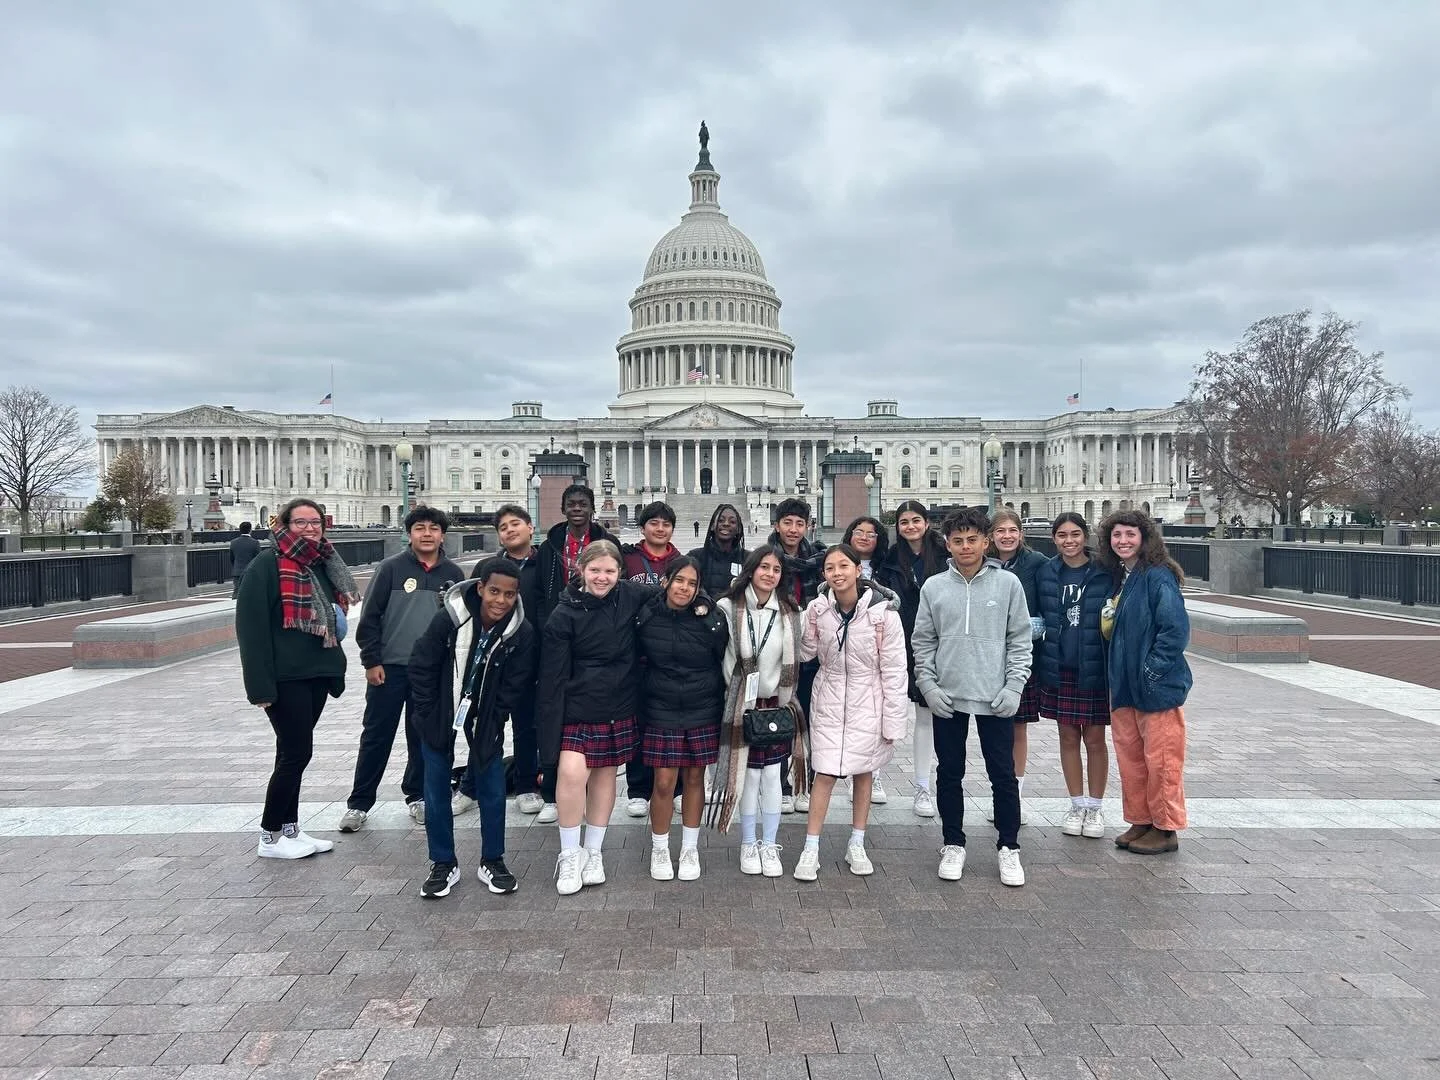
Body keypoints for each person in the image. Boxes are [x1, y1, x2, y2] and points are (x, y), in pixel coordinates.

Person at [912, 507, 1032, 887]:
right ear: (947, 543)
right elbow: (923, 642)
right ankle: (953, 842)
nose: (966, 547)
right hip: (948, 695)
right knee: (950, 772)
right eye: (958, 541)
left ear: (986, 541)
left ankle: (1009, 846)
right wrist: (928, 686)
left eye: (973, 540)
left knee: (1003, 774)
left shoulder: (1008, 585)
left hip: (994, 695)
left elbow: (1020, 640)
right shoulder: (934, 586)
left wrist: (1014, 686)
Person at [236, 497, 360, 859]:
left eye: (315, 522)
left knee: (292, 754)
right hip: (285, 676)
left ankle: (290, 829)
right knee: (296, 753)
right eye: (301, 522)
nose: (309, 528)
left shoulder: (323, 562)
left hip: (316, 673)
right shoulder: (267, 565)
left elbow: (332, 615)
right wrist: (259, 686)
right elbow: (251, 628)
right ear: (284, 526)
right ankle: (269, 836)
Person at [409, 560, 538, 898]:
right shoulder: (450, 618)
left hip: (485, 714)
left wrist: (494, 719)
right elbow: (421, 663)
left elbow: (516, 684)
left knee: (492, 786)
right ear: (480, 588)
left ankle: (493, 859)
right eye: (494, 591)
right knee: (435, 786)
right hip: (442, 707)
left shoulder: (521, 632)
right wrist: (425, 713)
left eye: (509, 594)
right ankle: (443, 863)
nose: (501, 601)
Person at [538, 541, 656, 895]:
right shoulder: (564, 613)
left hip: (619, 701)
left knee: (605, 775)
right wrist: (547, 740)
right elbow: (553, 677)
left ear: (620, 572)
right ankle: (569, 853)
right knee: (572, 773)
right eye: (595, 570)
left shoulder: (631, 595)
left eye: (609, 571)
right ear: (580, 570)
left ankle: (594, 851)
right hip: (578, 704)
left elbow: (670, 596)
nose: (602, 577)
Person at [339, 506, 462, 833]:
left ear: (442, 535)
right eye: (419, 528)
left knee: (422, 737)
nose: (426, 534)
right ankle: (359, 803)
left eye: (433, 529)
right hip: (389, 668)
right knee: (376, 736)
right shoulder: (391, 569)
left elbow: (462, 624)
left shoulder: (453, 575)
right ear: (409, 534)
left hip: (431, 672)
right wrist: (371, 660)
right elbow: (370, 618)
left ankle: (417, 795)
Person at [792, 545, 908, 881]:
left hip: (867, 697)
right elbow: (807, 653)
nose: (837, 573)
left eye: (844, 565)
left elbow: (895, 671)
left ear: (859, 570)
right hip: (828, 695)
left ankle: (857, 842)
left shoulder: (884, 614)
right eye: (830, 568)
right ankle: (810, 847)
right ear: (824, 575)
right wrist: (801, 619)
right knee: (824, 772)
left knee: (864, 772)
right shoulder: (819, 609)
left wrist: (892, 719)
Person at [1098, 510, 1192, 855]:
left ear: (1144, 538)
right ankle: (1141, 819)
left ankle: (1166, 828)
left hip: (1154, 686)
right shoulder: (1125, 576)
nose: (1122, 541)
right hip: (1124, 686)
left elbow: (1174, 629)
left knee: (1162, 759)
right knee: (1132, 759)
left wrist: (1153, 669)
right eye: (1117, 535)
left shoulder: (1158, 576)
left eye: (1129, 534)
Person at [710, 547, 804, 877]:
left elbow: (801, 653)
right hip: (740, 705)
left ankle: (769, 843)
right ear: (750, 570)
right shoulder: (726, 608)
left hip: (775, 706)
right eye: (763, 567)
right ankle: (748, 842)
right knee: (748, 777)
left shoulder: (791, 613)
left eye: (776, 570)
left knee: (773, 777)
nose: (769, 574)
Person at [636, 557, 728, 881]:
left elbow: (722, 656)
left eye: (692, 583)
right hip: (661, 706)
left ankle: (690, 847)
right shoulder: (647, 615)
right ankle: (660, 847)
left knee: (694, 778)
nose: (684, 588)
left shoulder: (710, 618)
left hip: (702, 705)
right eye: (679, 580)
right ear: (666, 581)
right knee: (663, 781)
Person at [454, 504, 548, 819]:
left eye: (515, 523)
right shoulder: (487, 566)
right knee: (483, 725)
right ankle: (471, 785)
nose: (509, 530)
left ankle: (524, 786)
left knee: (527, 727)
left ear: (531, 527)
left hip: (532, 659)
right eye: (503, 526)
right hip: (493, 658)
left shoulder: (547, 564)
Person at [1036, 513, 1112, 839]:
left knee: (1095, 739)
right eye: (1063, 535)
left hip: (1093, 666)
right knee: (1067, 738)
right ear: (1054, 539)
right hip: (1060, 665)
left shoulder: (1106, 572)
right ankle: (1076, 804)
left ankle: (1095, 807)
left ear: (1085, 536)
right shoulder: (1046, 572)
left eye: (1075, 534)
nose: (1069, 541)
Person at [874, 499, 949, 819]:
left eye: (915, 521)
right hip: (895, 643)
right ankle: (872, 776)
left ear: (926, 522)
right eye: (904, 522)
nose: (910, 527)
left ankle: (922, 787)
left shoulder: (946, 557)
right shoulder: (890, 560)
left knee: (925, 717)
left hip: (933, 645)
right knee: (879, 714)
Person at [621, 501, 686, 817]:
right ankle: (638, 788)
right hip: (634, 652)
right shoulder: (627, 559)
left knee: (673, 724)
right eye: (654, 523)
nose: (660, 529)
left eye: (666, 524)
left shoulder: (681, 562)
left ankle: (677, 788)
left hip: (671, 654)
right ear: (643, 526)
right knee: (638, 722)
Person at [989, 508, 1051, 825]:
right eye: (1001, 531)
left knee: (1017, 728)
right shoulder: (984, 564)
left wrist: (1022, 627)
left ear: (1021, 533)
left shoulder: (1036, 564)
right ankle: (1000, 794)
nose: (1007, 536)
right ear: (991, 535)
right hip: (986, 660)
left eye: (1012, 530)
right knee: (992, 731)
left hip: (1020, 656)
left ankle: (1014, 797)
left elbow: (1044, 610)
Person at [768, 498, 824, 813]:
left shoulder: (819, 559)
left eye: (799, 523)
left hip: (813, 652)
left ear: (807, 526)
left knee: (810, 719)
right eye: (787, 522)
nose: (793, 529)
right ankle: (782, 785)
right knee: (780, 719)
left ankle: (805, 783)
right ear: (777, 525)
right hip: (778, 651)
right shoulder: (765, 559)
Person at [535, 484, 620, 623]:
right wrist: (545, 623)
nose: (577, 508)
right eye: (571, 504)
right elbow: (539, 591)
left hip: (598, 620)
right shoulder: (547, 548)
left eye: (583, 504)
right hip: (558, 619)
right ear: (563, 509)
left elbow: (619, 584)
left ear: (592, 509)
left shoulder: (609, 544)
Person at [688, 503, 750, 596]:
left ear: (738, 529)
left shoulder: (749, 559)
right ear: (712, 526)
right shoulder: (695, 557)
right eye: (721, 520)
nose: (726, 524)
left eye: (732, 522)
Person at [841, 516, 890, 581]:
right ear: (850, 535)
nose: (864, 538)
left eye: (870, 535)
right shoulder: (838, 562)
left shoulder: (888, 568)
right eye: (858, 533)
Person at [229, 521, 260, 598]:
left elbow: (232, 558)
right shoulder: (255, 543)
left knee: (237, 593)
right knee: (250, 593)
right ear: (250, 530)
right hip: (250, 573)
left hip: (237, 572)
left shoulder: (233, 542)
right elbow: (258, 559)